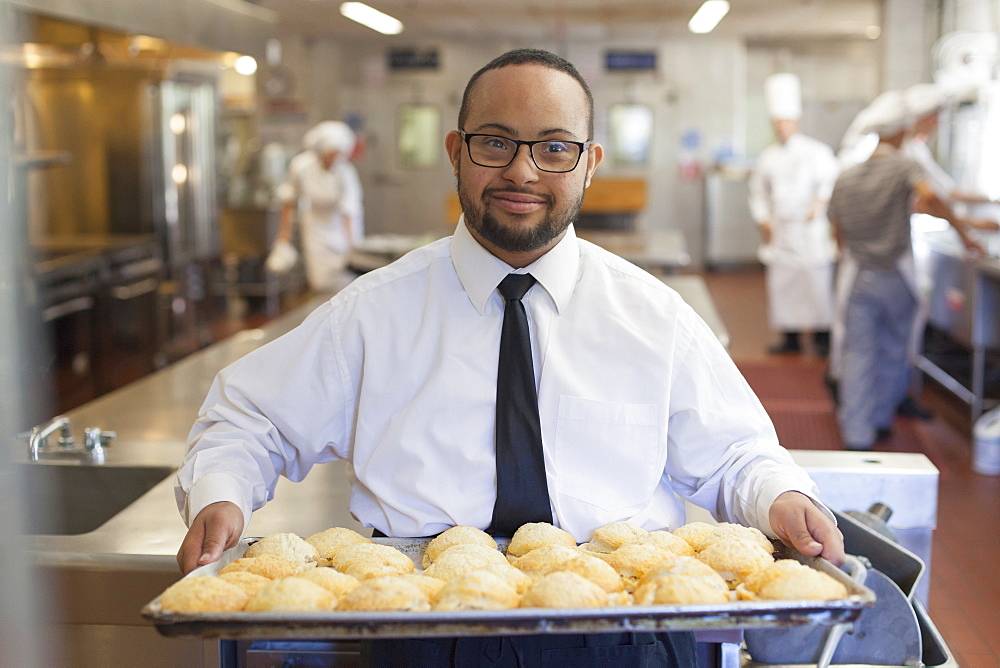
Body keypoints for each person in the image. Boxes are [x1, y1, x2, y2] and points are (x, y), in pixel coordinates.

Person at [176, 49, 845, 666]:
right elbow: (250, 419)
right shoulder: (373, 314)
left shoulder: (652, 316)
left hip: (627, 632)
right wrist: (222, 494)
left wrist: (780, 497)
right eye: (495, 142)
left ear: (590, 162)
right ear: (455, 152)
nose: (523, 171)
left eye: (555, 147)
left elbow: (736, 455)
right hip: (430, 631)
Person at [827, 90, 985, 451]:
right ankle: (882, 418)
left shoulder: (847, 176)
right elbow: (932, 196)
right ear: (900, 132)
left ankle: (857, 433)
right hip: (896, 276)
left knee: (857, 352)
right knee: (894, 349)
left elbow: (837, 232)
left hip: (857, 278)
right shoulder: (903, 166)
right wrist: (965, 235)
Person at [748, 73, 839, 356]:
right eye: (777, 123)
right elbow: (758, 193)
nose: (782, 128)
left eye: (786, 122)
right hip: (783, 232)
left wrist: (820, 202)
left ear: (797, 122)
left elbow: (831, 182)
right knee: (784, 286)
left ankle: (823, 338)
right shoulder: (768, 158)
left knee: (817, 284)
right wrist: (763, 219)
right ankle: (790, 338)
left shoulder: (817, 152)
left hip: (810, 231)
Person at [266, 120, 364, 293]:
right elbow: (289, 201)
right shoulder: (301, 167)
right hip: (315, 229)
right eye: (332, 153)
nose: (335, 157)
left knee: (347, 283)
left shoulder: (345, 173)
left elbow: (349, 211)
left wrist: (352, 247)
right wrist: (283, 236)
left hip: (341, 228)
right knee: (320, 282)